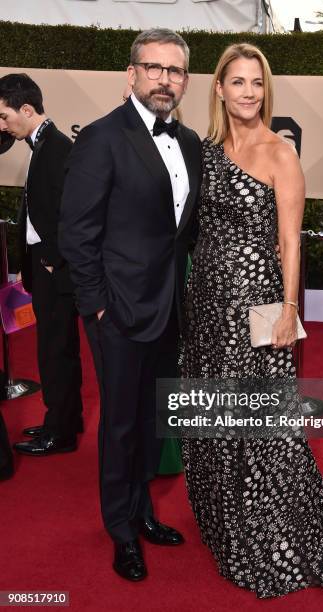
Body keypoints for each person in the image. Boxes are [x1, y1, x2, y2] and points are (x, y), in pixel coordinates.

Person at [180, 43, 323, 599]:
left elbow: (290, 242)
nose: (247, 92)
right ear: (218, 88)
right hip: (208, 304)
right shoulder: (206, 149)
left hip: (261, 306)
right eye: (237, 82)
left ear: (266, 91)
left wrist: (289, 310)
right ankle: (225, 523)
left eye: (256, 83)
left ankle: (271, 535)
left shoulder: (279, 153)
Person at [59, 29, 202, 581]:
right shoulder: (101, 137)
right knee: (119, 424)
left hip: (168, 308)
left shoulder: (188, 142)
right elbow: (77, 232)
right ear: (132, 73)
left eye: (175, 71)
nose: (165, 79)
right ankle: (120, 530)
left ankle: (143, 513)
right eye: (154, 68)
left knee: (152, 419)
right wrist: (97, 307)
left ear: (185, 80)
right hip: (117, 312)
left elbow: (180, 233)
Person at [0, 73, 83, 456]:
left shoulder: (56, 149)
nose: (2, 125)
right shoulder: (44, 145)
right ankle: (65, 419)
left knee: (55, 350)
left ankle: (61, 431)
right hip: (45, 265)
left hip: (55, 268)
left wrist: (52, 259)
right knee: (55, 347)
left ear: (27, 109)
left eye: (4, 116)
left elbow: (72, 213)